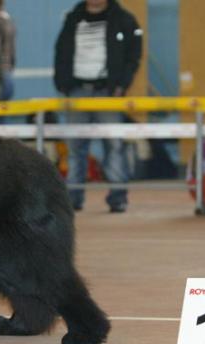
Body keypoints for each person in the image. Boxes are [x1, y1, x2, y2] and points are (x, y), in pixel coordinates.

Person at [54, 0, 142, 213]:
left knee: (114, 145)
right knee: (75, 147)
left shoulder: (125, 20)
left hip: (108, 92)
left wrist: (122, 84)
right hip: (77, 90)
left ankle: (118, 196)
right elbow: (61, 52)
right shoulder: (72, 18)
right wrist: (63, 84)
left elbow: (133, 55)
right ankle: (73, 197)